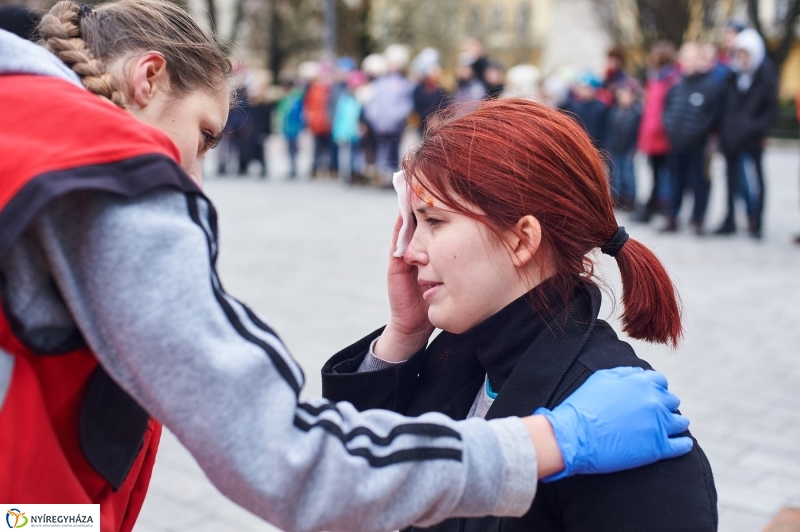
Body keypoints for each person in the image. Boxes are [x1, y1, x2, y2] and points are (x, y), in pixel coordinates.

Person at [0, 2, 694, 531]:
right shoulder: (102, 178)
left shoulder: (23, 129)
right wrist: (554, 440)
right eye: (204, 135)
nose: (196, 182)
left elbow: (22, 518)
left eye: (434, 221)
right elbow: (289, 460)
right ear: (148, 77)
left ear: (523, 239)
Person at [322, 98, 718, 531]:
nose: (408, 251)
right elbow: (347, 480)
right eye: (413, 222)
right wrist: (404, 333)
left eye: (433, 221)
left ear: (522, 239)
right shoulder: (458, 354)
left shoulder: (625, 425)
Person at [715, 29, 778, 238]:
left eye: (746, 54)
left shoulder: (766, 77)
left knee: (757, 180)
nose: (742, 59)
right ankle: (730, 220)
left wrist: (753, 128)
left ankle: (757, 223)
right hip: (731, 137)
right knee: (730, 180)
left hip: (753, 138)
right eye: (739, 54)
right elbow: (724, 107)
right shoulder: (732, 77)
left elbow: (770, 110)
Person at [661, 42, 721, 234]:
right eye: (685, 58)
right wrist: (671, 129)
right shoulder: (677, 86)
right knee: (675, 181)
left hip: (698, 146)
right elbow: (667, 110)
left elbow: (712, 116)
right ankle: (672, 216)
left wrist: (698, 133)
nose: (688, 62)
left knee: (699, 183)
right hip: (676, 144)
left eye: (692, 58)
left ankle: (698, 219)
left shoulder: (710, 86)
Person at [634, 41, 680, 223]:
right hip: (651, 134)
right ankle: (653, 207)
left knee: (665, 174)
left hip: (663, 135)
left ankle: (664, 206)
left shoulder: (671, 80)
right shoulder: (654, 79)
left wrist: (664, 128)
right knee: (654, 174)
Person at [605, 83, 642, 211]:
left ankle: (630, 199)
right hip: (615, 147)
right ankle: (617, 198)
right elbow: (610, 130)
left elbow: (637, 133)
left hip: (628, 149)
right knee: (616, 174)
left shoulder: (636, 113)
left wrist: (634, 147)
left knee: (628, 174)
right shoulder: (614, 111)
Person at [561, 71, 608, 151]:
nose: (582, 91)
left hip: (596, 147)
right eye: (581, 88)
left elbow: (604, 131)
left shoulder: (601, 107)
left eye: (586, 88)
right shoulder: (575, 106)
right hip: (579, 144)